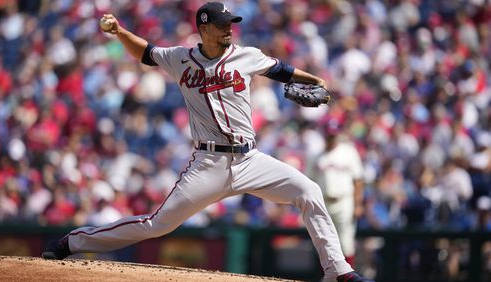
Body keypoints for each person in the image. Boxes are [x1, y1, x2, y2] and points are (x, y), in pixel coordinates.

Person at [42, 2, 373, 282]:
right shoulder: (180, 58)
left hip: (250, 160)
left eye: (230, 23)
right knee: (156, 225)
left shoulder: (246, 56)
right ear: (204, 28)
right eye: (222, 24)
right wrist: (119, 33)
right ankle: (72, 242)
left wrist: (314, 79)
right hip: (208, 163)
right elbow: (146, 53)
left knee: (308, 190)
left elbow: (282, 70)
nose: (229, 29)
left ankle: (338, 271)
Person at [314, 120, 365, 268]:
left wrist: (358, 205)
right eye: (329, 135)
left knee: (345, 242)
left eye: (333, 135)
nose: (331, 138)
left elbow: (358, 181)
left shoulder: (348, 152)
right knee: (324, 244)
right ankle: (327, 278)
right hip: (323, 202)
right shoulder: (316, 156)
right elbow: (309, 181)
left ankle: (347, 277)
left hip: (344, 202)